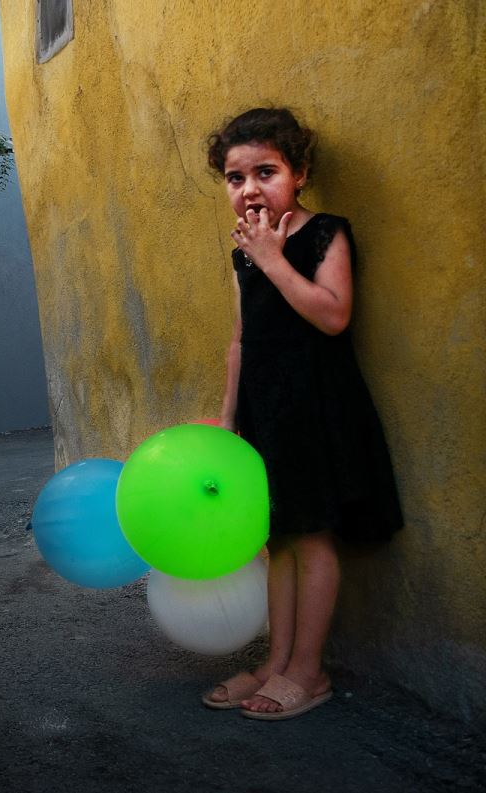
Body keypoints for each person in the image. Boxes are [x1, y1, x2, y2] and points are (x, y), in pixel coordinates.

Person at [202, 108, 402, 719]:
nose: (251, 190)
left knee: (310, 537)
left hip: (315, 407)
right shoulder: (243, 253)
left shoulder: (325, 234)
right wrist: (227, 421)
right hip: (266, 411)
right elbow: (241, 339)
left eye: (266, 172)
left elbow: (333, 314)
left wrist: (272, 258)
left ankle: (308, 671)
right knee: (276, 537)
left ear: (301, 172)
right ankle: (275, 661)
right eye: (236, 179)